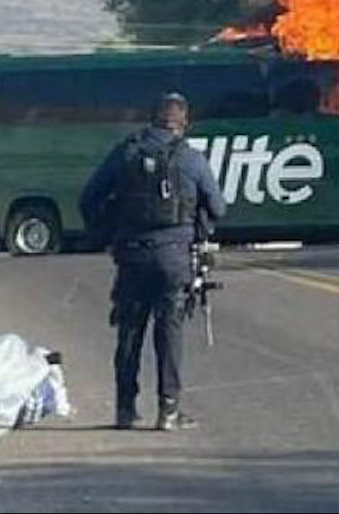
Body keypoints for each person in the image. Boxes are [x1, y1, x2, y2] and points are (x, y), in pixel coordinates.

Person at [81, 92, 225, 432]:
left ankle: (125, 410)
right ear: (183, 123)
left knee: (130, 332)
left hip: (131, 253)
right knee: (169, 332)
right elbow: (217, 206)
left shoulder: (126, 152)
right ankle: (168, 411)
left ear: (151, 119)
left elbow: (89, 198)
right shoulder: (191, 158)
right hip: (174, 256)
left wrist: (106, 232)